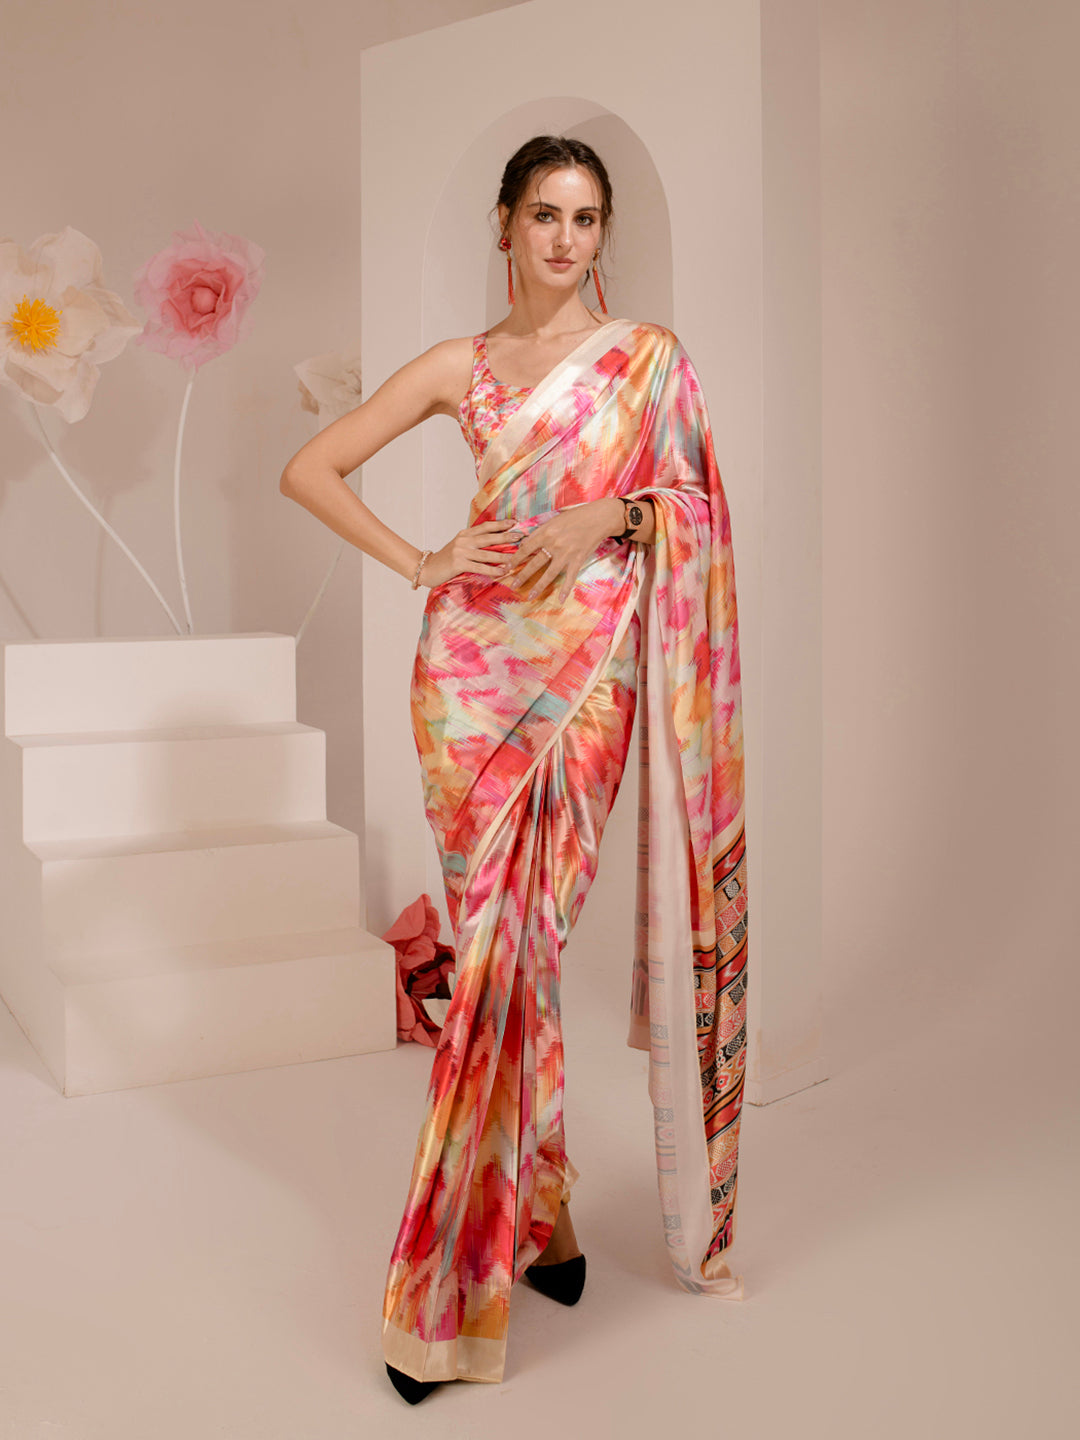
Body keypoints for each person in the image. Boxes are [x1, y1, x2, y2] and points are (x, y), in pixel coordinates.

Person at [279, 134, 749, 1406]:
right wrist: (424, 562)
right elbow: (309, 470)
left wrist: (613, 514)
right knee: (503, 962)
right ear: (504, 223)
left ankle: (476, 1254)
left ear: (603, 235)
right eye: (546, 215)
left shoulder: (648, 359)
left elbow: (696, 505)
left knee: (514, 954)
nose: (566, 241)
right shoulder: (460, 367)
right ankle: (523, 1229)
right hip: (468, 679)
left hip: (586, 679)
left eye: (586, 220)